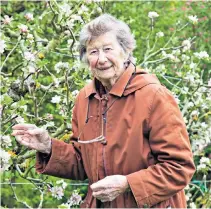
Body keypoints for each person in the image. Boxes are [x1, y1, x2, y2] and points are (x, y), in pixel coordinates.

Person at [12, 14, 195, 208]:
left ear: (125, 51)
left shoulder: (153, 96)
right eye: (93, 52)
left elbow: (179, 168)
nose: (101, 59)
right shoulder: (85, 99)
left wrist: (127, 184)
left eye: (108, 49)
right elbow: (84, 163)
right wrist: (48, 146)